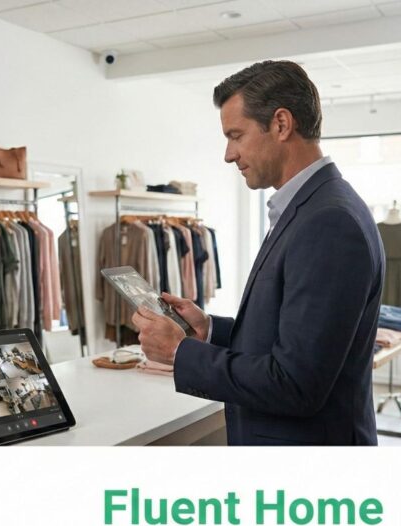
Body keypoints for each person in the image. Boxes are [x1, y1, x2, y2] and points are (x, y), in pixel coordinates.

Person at [131, 60, 382, 445]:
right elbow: (292, 339)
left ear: (281, 124)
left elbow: (296, 384)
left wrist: (180, 352)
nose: (228, 155)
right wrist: (209, 328)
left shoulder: (328, 221)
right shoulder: (311, 208)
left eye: (236, 135)